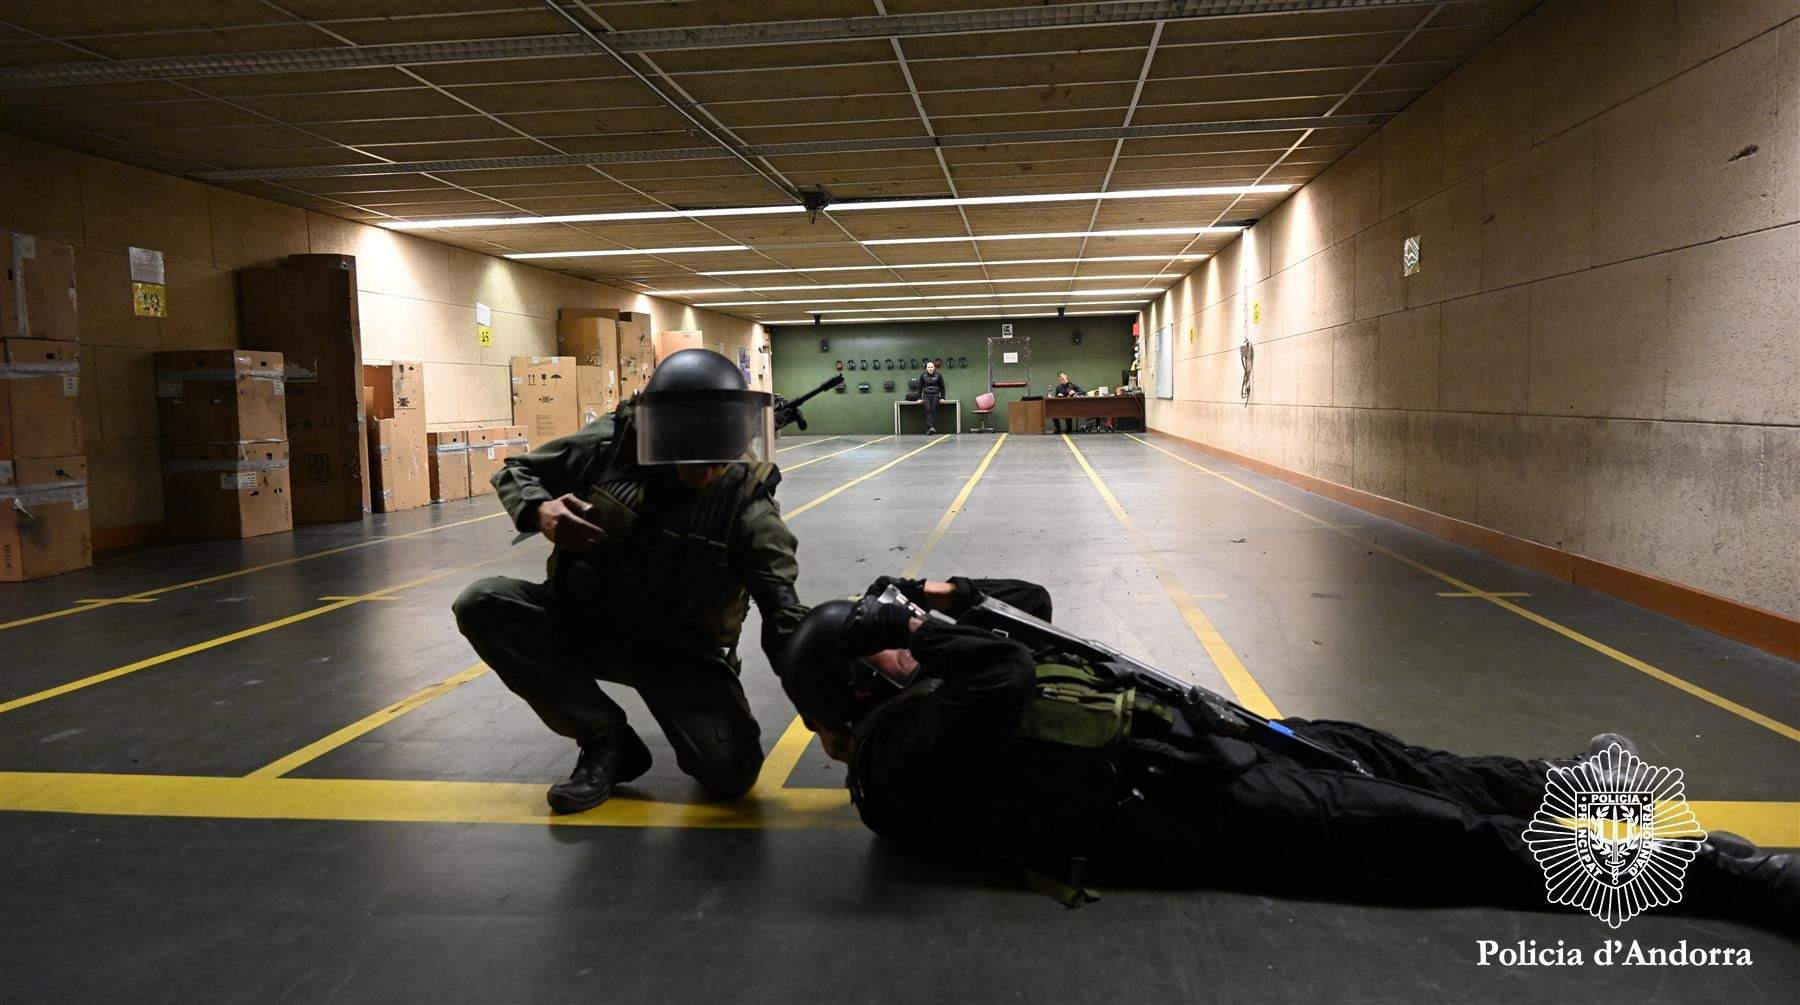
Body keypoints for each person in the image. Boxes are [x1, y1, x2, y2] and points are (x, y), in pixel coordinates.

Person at [775, 576, 1797, 930]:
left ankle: (1567, 784)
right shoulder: (900, 763)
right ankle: (1721, 879)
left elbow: (1028, 617)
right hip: (1199, 814)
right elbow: (1000, 674)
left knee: (1405, 759)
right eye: (891, 646)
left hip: (1194, 747)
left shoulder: (923, 699)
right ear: (867, 680)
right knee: (1452, 838)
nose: (911, 647)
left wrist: (944, 596)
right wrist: (926, 633)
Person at [453, 349, 808, 814]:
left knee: (730, 776)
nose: (702, 472)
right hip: (586, 623)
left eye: (714, 456)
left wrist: (823, 703)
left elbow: (784, 617)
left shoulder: (749, 509)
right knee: (483, 603)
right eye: (687, 451)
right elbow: (516, 469)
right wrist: (541, 510)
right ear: (659, 429)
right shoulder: (612, 446)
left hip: (678, 652)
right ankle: (605, 739)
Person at [918, 359, 946, 434]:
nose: (930, 369)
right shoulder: (923, 375)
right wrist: (919, 398)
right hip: (926, 395)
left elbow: (942, 387)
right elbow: (920, 387)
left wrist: (942, 397)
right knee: (927, 409)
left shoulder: (938, 375)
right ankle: (931, 427)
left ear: (934, 368)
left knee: (933, 410)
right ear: (926, 368)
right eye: (929, 367)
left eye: (931, 367)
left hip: (935, 395)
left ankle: (930, 428)